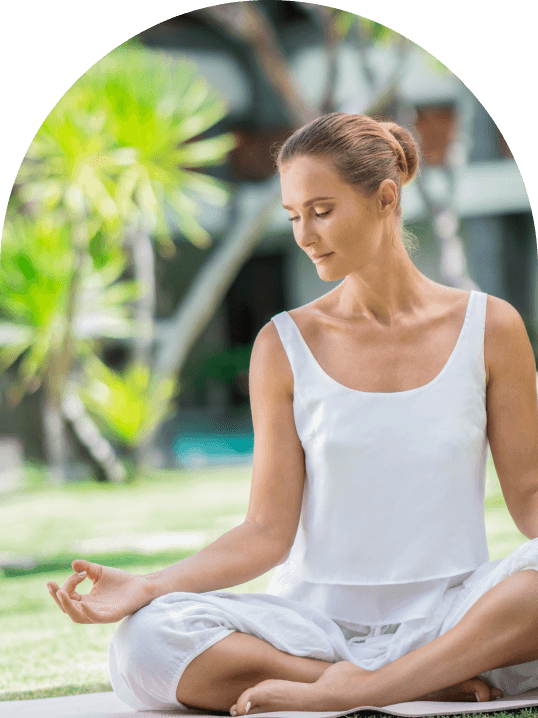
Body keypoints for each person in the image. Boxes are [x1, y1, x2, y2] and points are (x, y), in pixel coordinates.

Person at [46, 112, 538, 716]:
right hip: (316, 628)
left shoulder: (491, 327)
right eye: (293, 215)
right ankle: (412, 681)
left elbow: (531, 501)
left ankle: (377, 686)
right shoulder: (284, 344)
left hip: (456, 617)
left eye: (322, 210)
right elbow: (265, 532)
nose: (305, 234)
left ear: (386, 199)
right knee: (147, 643)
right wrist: (150, 585)